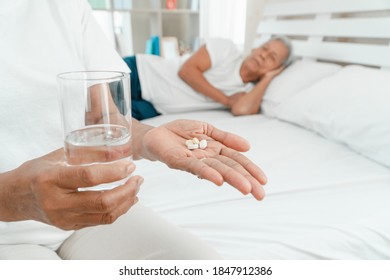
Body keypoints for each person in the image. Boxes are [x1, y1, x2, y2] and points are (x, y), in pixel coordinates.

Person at [0, 0, 267, 260]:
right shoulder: (223, 51)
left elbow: (102, 116)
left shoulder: (66, 6)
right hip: (7, 232)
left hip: (92, 206)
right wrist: (13, 198)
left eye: (272, 59)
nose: (263, 56)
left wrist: (147, 137)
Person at [125, 36, 293, 120]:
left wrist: (267, 79)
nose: (264, 56)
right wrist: (226, 100)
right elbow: (187, 71)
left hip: (154, 108)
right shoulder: (227, 49)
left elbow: (241, 110)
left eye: (272, 58)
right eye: (264, 48)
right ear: (255, 48)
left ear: (276, 69)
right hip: (141, 73)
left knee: (106, 123)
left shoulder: (248, 92)